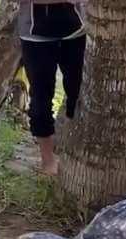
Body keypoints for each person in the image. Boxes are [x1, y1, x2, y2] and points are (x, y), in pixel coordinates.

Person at [18, 0, 87, 175]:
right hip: (35, 36)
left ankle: (73, 146)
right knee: (41, 99)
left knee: (79, 93)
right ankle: (47, 160)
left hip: (75, 31)